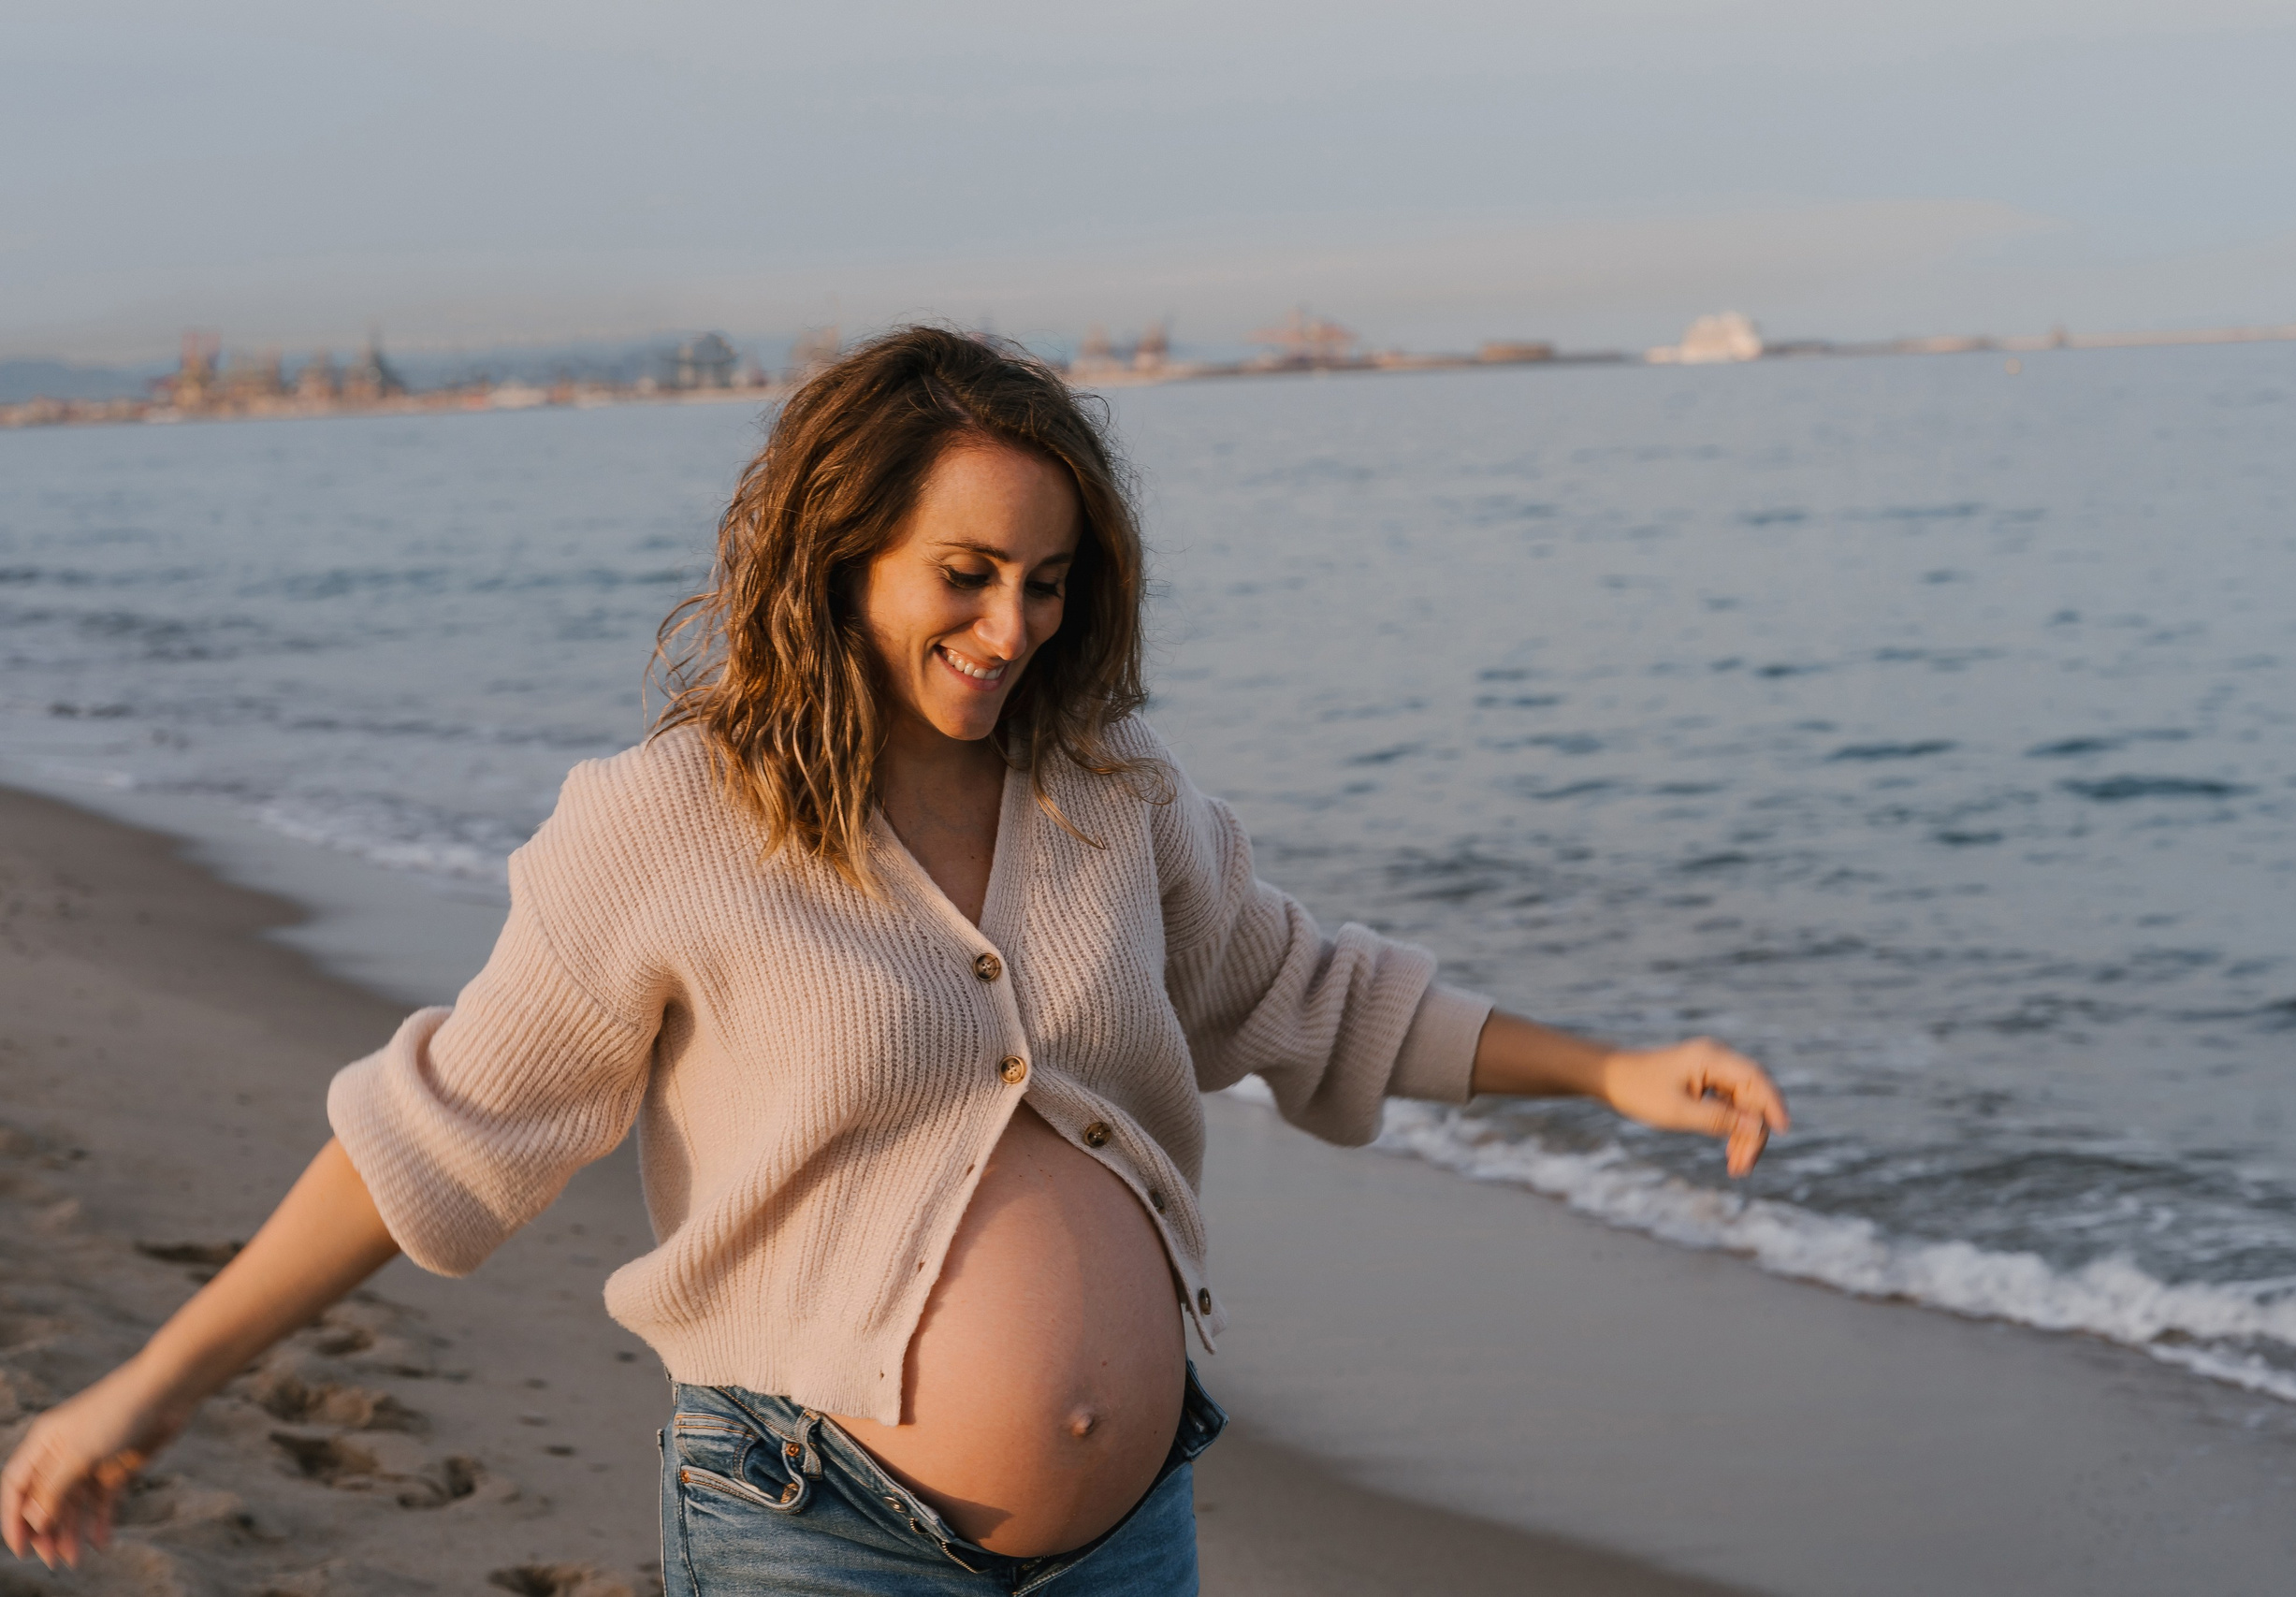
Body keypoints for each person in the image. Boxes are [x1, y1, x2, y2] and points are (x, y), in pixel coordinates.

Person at [2, 327, 1788, 1594]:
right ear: (844, 551)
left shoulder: (1110, 792)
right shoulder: (670, 821)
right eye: (967, 572)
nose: (1013, 626)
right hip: (813, 1532)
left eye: (1050, 581)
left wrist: (1607, 1070)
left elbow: (1302, 990)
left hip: (1132, 1537)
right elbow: (436, 1141)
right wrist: (147, 1391)